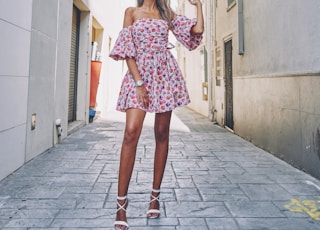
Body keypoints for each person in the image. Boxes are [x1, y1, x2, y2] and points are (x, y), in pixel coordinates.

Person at [109, 0, 204, 229]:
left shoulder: (166, 13)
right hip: (138, 75)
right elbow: (128, 50)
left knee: (162, 134)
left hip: (164, 74)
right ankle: (121, 206)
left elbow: (197, 31)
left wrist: (199, 5)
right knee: (131, 132)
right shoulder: (131, 12)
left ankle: (155, 197)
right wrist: (139, 82)